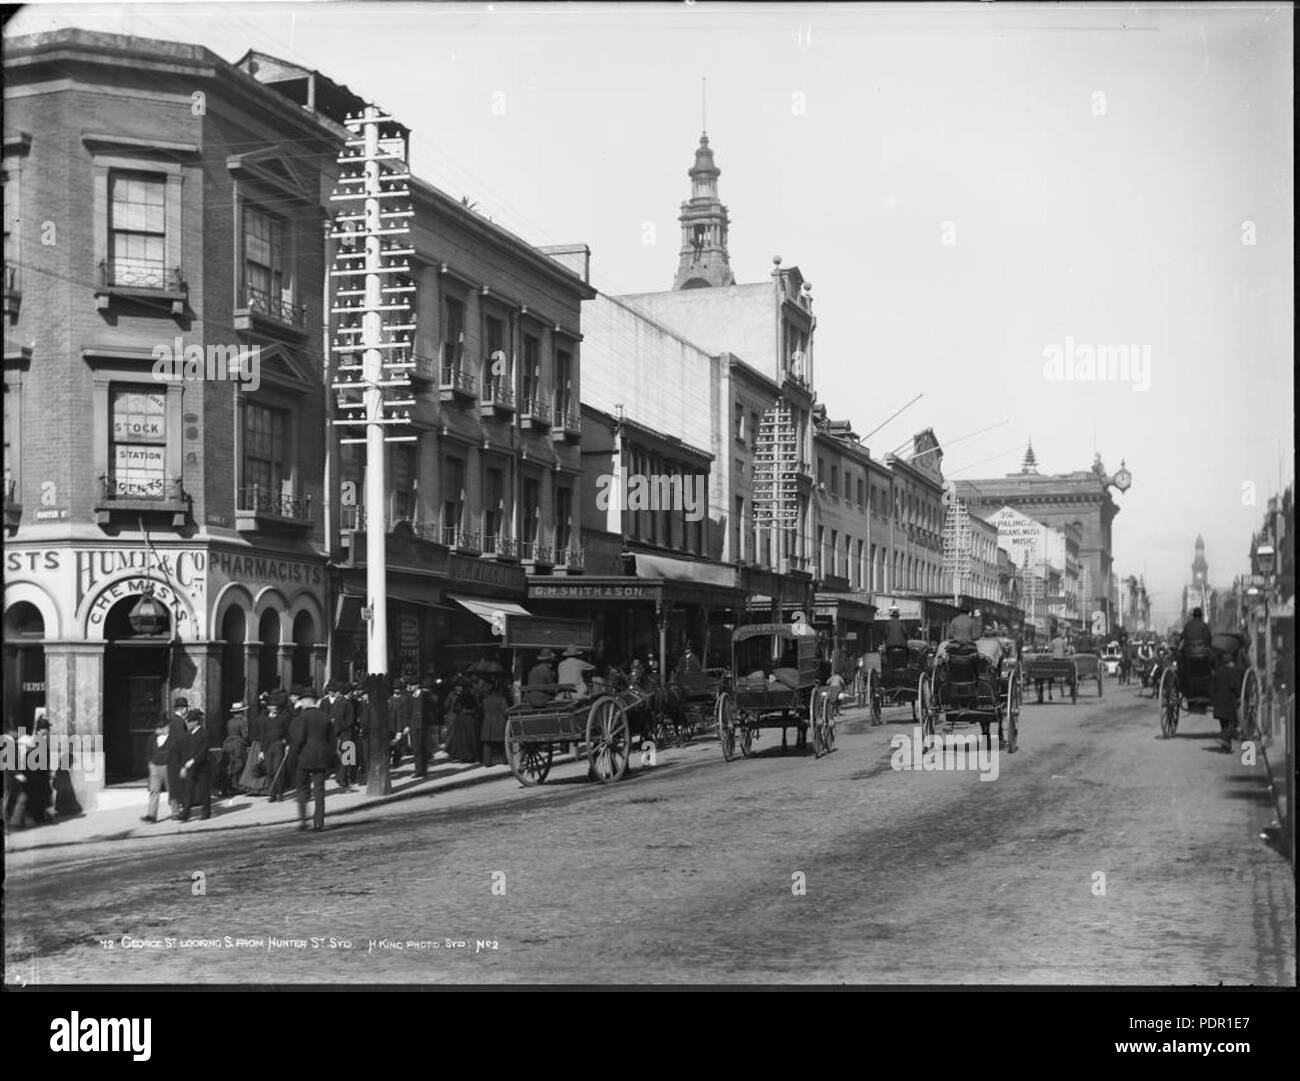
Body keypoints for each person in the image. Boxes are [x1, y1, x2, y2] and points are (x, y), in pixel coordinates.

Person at [289, 688, 334, 832]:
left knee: (302, 789)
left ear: (308, 701)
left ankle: (303, 820)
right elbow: (332, 740)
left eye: (302, 700)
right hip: (321, 758)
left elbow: (299, 738)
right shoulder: (325, 717)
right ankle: (318, 822)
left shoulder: (302, 717)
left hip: (304, 758)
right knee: (319, 791)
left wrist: (294, 753)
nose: (300, 703)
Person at [177, 708, 213, 822]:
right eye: (188, 721)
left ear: (196, 722)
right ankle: (185, 813)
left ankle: (206, 812)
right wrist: (183, 766)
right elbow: (184, 752)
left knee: (204, 791)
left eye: (190, 721)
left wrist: (193, 760)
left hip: (202, 767)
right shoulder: (187, 735)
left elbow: (203, 751)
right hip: (190, 768)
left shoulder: (204, 733)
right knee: (188, 791)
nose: (188, 723)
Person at [322, 682, 356, 790]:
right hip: (347, 732)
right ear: (349, 692)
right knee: (348, 756)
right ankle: (343, 778)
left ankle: (341, 777)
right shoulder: (347, 703)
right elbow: (347, 720)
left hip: (338, 732)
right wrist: (348, 726)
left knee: (342, 756)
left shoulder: (338, 702)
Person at [1210, 647, 1244, 752]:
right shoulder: (1232, 672)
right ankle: (1223, 737)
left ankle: (1226, 748)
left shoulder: (1218, 672)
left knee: (1224, 724)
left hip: (1218, 704)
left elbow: (1212, 688)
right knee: (1232, 725)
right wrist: (1238, 697)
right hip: (1229, 703)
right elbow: (1235, 686)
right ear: (1230, 662)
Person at [259, 692, 290, 802]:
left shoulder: (283, 718)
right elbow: (262, 735)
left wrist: (287, 744)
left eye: (275, 706)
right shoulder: (264, 719)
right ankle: (272, 793)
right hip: (267, 746)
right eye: (271, 706)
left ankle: (280, 793)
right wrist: (261, 751)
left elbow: (287, 732)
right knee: (269, 770)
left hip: (278, 745)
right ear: (268, 707)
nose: (274, 708)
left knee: (278, 769)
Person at [220, 702, 249, 798]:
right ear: (241, 712)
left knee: (229, 764)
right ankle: (235, 786)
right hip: (237, 744)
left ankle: (226, 786)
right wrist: (247, 743)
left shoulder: (230, 721)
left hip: (228, 743)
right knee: (239, 763)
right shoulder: (242, 721)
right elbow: (245, 736)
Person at [479, 677, 509, 767]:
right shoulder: (502, 699)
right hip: (499, 723)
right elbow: (505, 711)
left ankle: (487, 762)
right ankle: (505, 760)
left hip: (487, 723)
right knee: (503, 744)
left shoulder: (485, 700)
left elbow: (482, 711)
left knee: (487, 744)